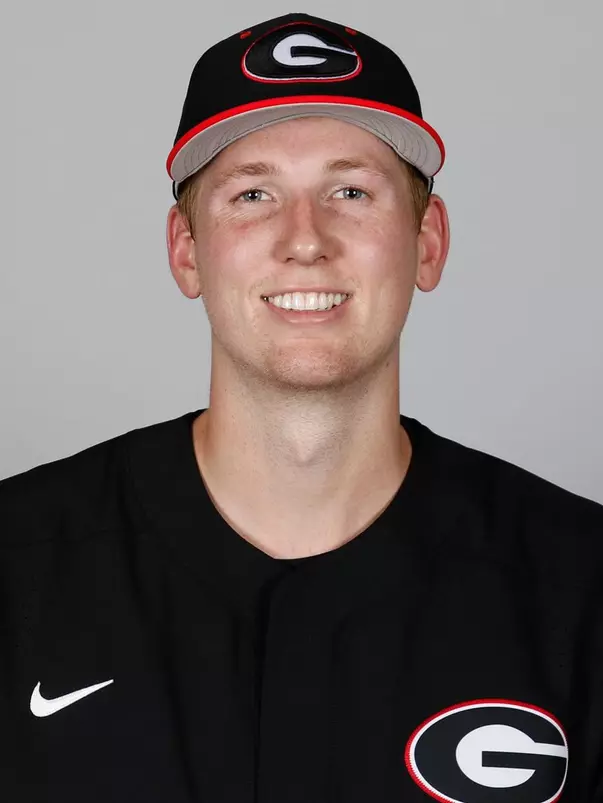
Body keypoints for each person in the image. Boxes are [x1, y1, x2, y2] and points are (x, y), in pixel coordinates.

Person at [1, 12, 601, 803]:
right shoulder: (19, 568)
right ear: (186, 250)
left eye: (350, 191)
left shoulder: (580, 588)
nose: (305, 239)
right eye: (253, 194)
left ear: (428, 241)